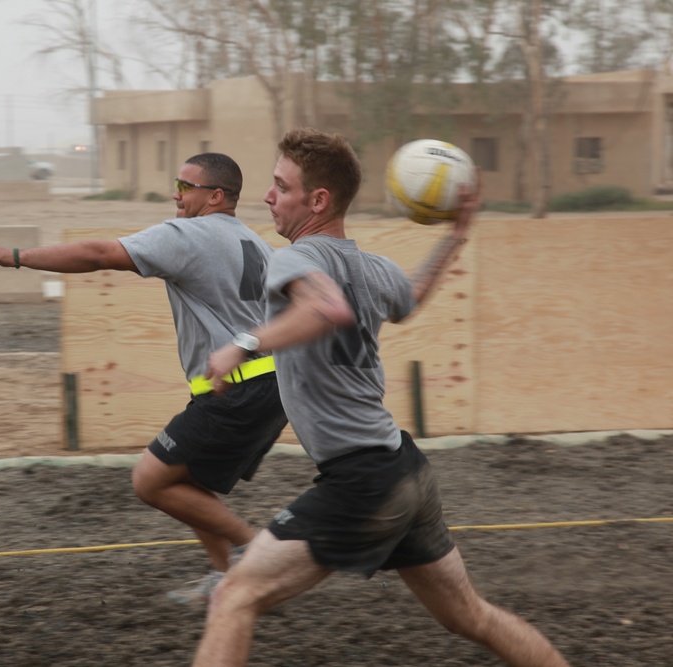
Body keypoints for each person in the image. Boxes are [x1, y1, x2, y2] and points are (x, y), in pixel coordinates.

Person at [194, 129, 570, 666]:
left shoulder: (294, 259)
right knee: (470, 616)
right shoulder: (371, 268)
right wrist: (458, 233)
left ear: (318, 201)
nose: (268, 196)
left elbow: (326, 309)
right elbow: (412, 296)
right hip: (404, 470)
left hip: (361, 483)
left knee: (234, 595)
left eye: (281, 186)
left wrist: (243, 344)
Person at [0, 153, 288, 604]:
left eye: (185, 185)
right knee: (190, 486)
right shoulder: (254, 243)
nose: (175, 193)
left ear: (215, 196)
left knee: (150, 481)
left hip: (237, 388)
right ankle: (229, 577)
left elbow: (99, 254)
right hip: (272, 384)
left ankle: (254, 552)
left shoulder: (189, 234)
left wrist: (16, 256)